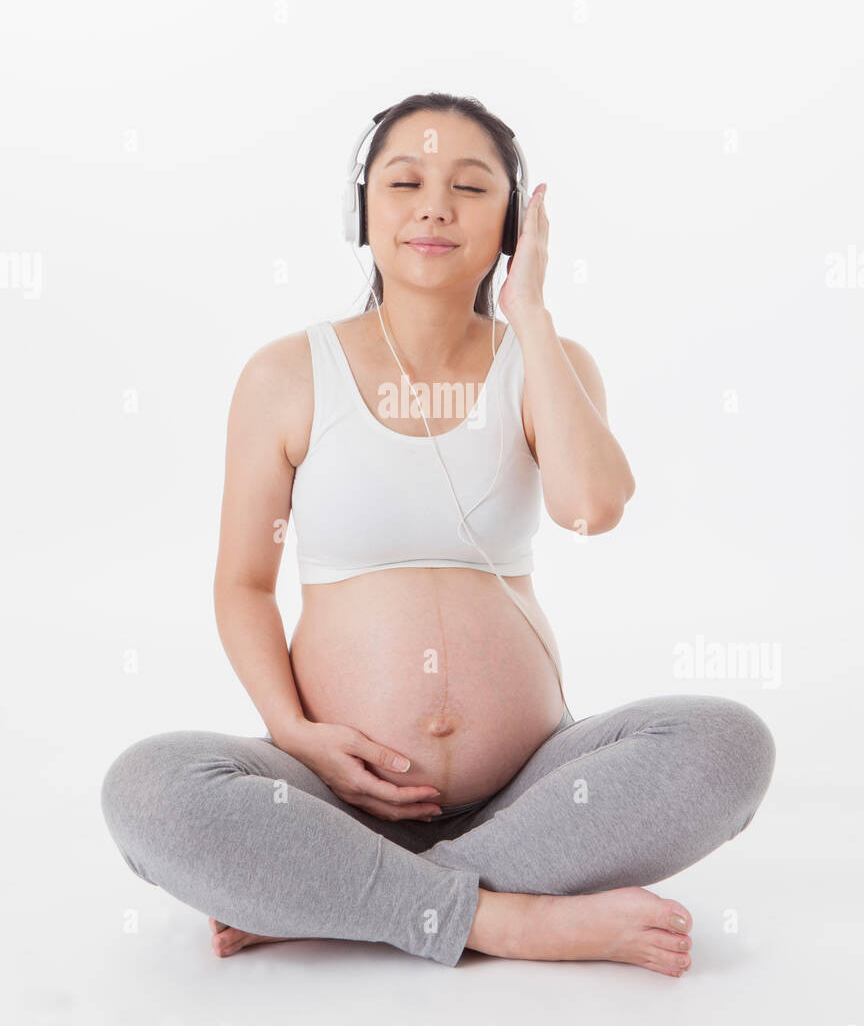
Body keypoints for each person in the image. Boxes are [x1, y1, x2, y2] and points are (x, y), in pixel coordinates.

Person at [101, 92, 776, 973]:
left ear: (508, 225)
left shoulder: (550, 363)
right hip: (330, 792)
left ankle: (344, 897)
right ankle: (504, 919)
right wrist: (295, 734)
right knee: (148, 787)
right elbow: (243, 586)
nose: (433, 205)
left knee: (729, 744)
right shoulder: (285, 374)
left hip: (532, 789)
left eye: (469, 186)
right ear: (363, 212)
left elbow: (592, 509)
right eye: (406, 181)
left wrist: (529, 312)